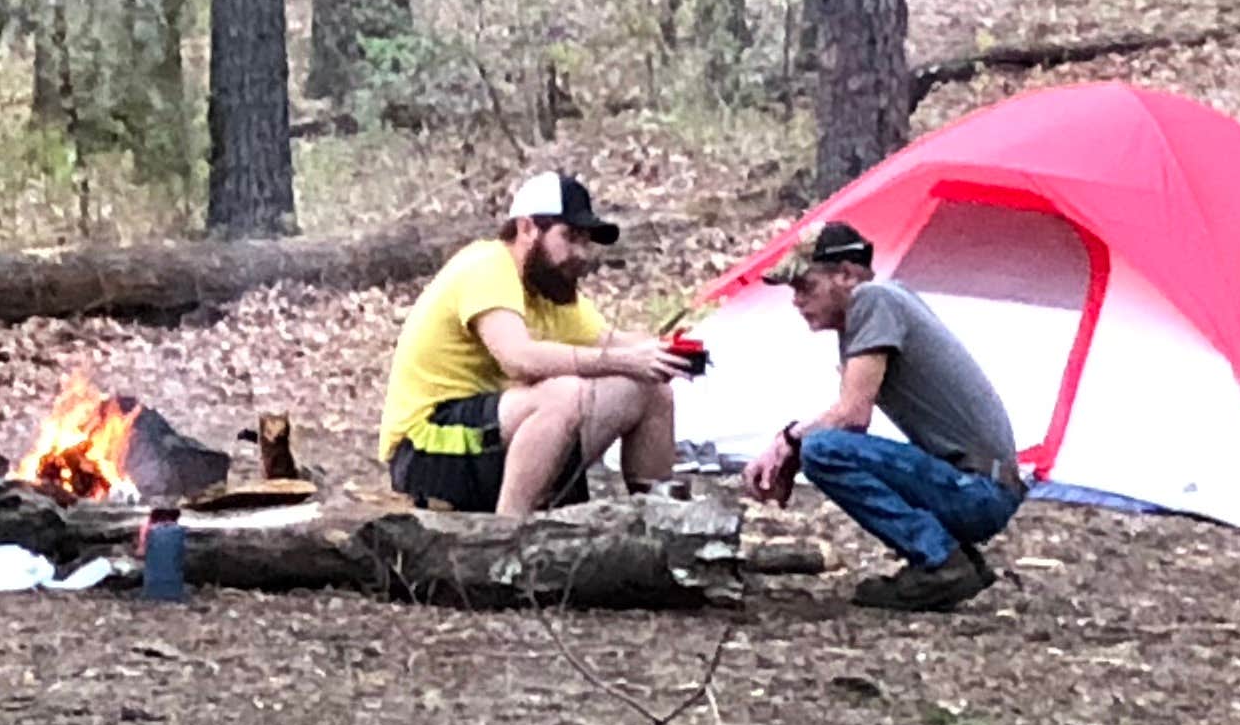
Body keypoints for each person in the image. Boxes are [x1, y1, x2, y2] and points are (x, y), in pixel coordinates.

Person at [741, 220, 1029, 612]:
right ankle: (951, 556)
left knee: (825, 450)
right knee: (825, 446)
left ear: (845, 275)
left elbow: (852, 416)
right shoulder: (884, 304)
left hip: (977, 490)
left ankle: (941, 561)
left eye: (805, 286)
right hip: (980, 484)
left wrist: (788, 440)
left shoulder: (873, 300)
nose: (796, 301)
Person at [379, 170, 690, 514]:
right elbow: (519, 359)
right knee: (564, 394)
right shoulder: (487, 266)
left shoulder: (548, 287)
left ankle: (660, 522)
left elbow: (611, 343)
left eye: (586, 241)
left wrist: (669, 351)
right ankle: (510, 535)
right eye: (569, 237)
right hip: (429, 450)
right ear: (527, 228)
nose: (581, 253)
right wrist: (624, 361)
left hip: (488, 445)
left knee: (649, 387)